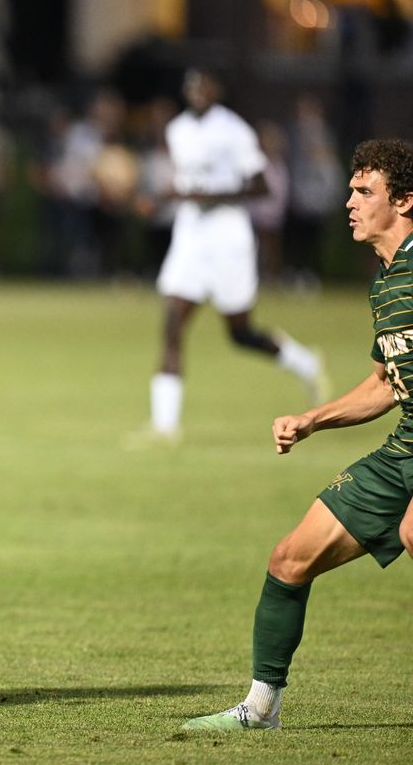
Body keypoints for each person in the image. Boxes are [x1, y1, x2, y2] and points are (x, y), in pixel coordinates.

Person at [183, 138, 413, 732]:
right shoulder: (387, 284)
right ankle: (261, 710)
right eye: (351, 189)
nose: (349, 202)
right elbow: (387, 384)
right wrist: (313, 419)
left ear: (406, 200)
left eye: (366, 192)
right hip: (403, 451)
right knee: (290, 559)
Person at [140, 67, 327, 444]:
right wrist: (159, 197)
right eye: (190, 84)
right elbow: (187, 183)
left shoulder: (234, 130)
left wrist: (208, 196)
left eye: (203, 84)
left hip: (228, 236)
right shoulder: (178, 130)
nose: (196, 91)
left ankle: (305, 363)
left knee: (239, 333)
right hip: (191, 235)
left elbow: (261, 185)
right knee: (173, 321)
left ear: (216, 88)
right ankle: (164, 426)